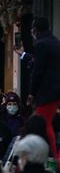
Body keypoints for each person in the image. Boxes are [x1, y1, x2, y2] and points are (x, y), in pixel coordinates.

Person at [27, 17, 60, 159]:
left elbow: (38, 71)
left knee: (42, 123)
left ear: (35, 30)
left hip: (47, 92)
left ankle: (52, 157)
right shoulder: (55, 42)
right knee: (48, 123)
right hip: (56, 91)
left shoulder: (41, 44)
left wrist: (31, 92)